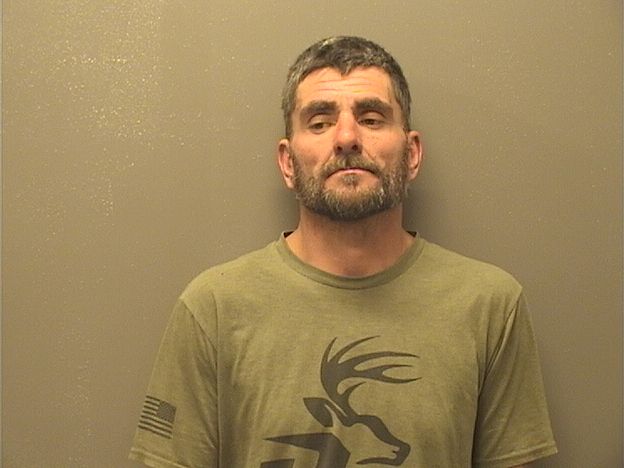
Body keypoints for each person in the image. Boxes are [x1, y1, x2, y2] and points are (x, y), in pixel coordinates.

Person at [129, 36, 557, 467]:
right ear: (287, 162)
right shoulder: (213, 310)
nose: (347, 137)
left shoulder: (488, 305)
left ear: (412, 154)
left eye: (371, 119)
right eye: (320, 123)